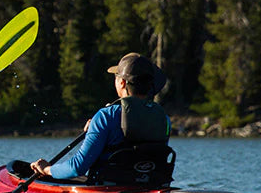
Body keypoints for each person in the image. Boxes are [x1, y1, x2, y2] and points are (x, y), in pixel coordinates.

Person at [30, 52, 171, 181]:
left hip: (108, 187)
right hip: (152, 184)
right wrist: (95, 130)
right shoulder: (164, 119)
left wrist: (47, 169)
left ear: (122, 82)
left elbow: (77, 168)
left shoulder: (106, 116)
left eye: (116, 77)